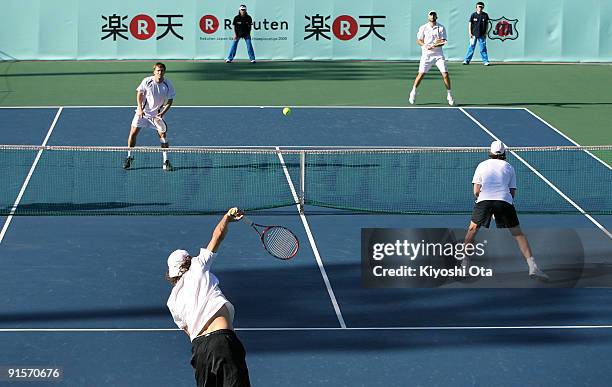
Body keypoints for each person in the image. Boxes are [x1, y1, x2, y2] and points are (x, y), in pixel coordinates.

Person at [166, 207, 251, 387]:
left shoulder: (172, 302)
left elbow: (189, 331)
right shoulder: (197, 265)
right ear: (188, 261)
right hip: (223, 343)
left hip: (199, 351)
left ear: (173, 274)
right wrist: (227, 217)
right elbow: (218, 235)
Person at [461, 140, 549, 281]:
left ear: (490, 152)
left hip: (484, 200)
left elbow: (476, 190)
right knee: (518, 234)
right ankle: (533, 267)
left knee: (472, 230)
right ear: (503, 153)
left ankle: (464, 265)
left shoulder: (481, 165)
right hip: (504, 201)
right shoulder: (509, 167)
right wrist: (500, 209)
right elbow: (511, 193)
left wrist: (484, 203)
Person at [123, 62, 175, 171]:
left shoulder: (168, 84)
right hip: (143, 113)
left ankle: (166, 161)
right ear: (154, 72)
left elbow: (170, 101)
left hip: (157, 115)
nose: (159, 72)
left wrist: (163, 113)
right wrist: (140, 108)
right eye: (157, 71)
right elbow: (139, 93)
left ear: (164, 72)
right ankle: (129, 156)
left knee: (163, 137)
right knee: (133, 133)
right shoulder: (147, 81)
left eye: (161, 71)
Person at [409, 10, 454, 106]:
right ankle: (413, 92)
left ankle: (449, 95)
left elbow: (443, 41)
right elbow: (419, 40)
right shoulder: (423, 28)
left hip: (438, 55)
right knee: (420, 75)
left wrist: (436, 45)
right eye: (431, 15)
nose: (432, 16)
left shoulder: (441, 28)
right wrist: (425, 45)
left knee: (445, 74)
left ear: (436, 17)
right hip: (426, 55)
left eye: (434, 15)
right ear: (428, 17)